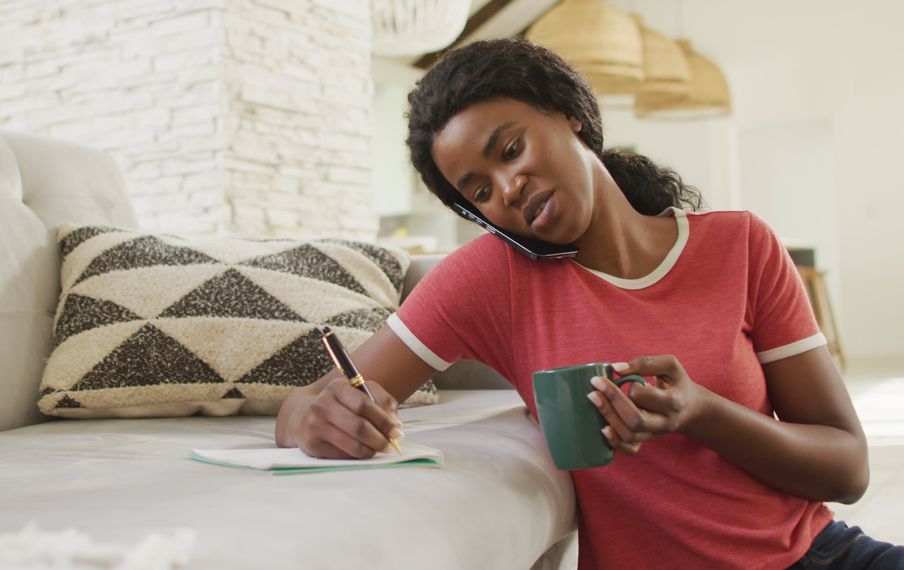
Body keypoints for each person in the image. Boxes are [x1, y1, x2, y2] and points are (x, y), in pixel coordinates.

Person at [275, 38, 902, 569]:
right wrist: (312, 419)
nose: (508, 189)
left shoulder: (740, 245)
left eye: (511, 150)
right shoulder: (494, 279)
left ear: (566, 114)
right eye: (480, 191)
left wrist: (701, 412)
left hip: (814, 556)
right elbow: (316, 398)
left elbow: (847, 469)